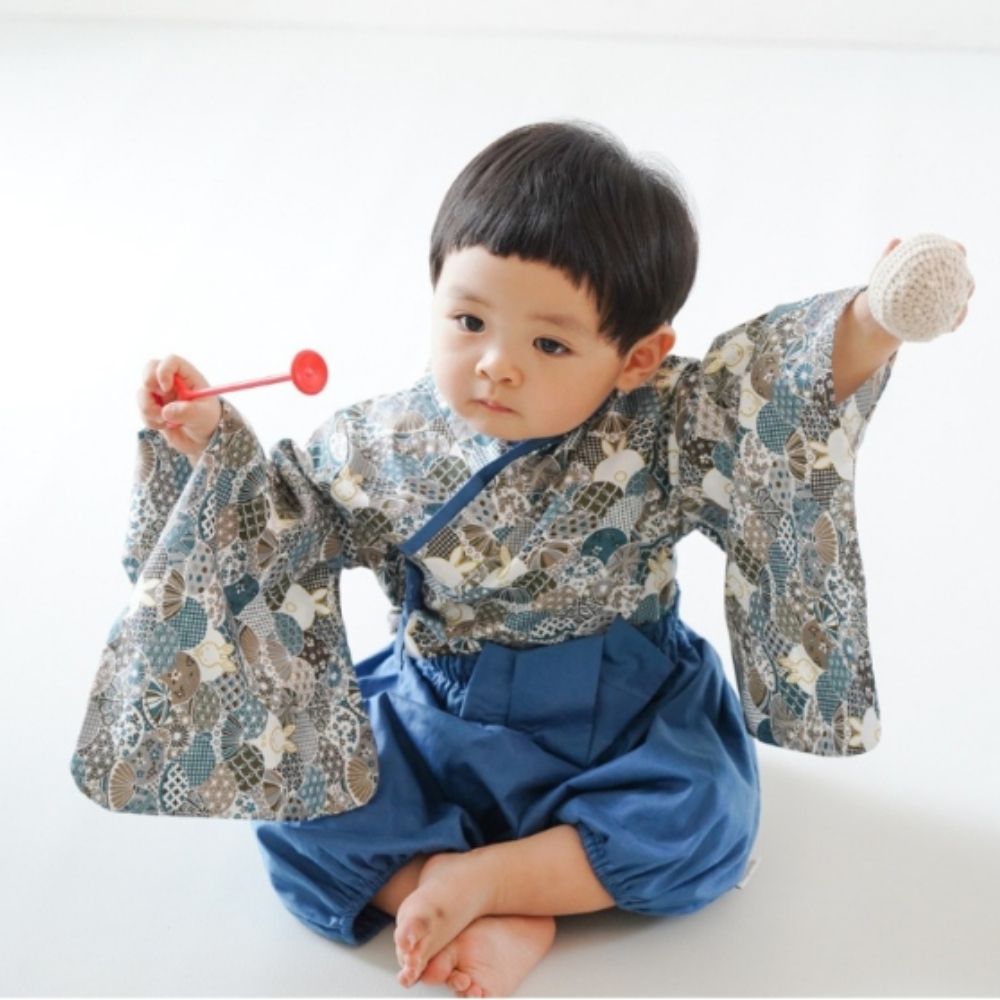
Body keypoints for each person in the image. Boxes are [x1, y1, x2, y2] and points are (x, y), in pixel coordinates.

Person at [129, 122, 969, 997]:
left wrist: (874, 320)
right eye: (469, 321)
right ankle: (464, 895)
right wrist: (209, 440)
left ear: (637, 358)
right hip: (437, 709)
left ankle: (489, 881)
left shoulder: (663, 429)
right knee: (287, 791)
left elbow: (769, 394)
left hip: (622, 710)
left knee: (708, 816)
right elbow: (282, 523)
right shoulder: (385, 442)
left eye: (551, 345)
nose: (497, 366)